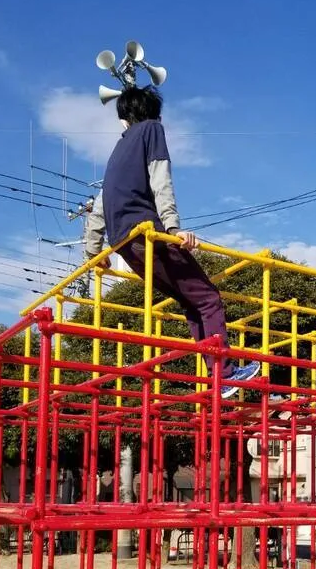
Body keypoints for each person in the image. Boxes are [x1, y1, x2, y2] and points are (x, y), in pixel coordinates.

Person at [86, 85, 260, 399]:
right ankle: (225, 375)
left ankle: (218, 376)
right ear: (155, 114)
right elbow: (160, 179)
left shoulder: (115, 154)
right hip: (149, 235)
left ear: (123, 119)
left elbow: (99, 205)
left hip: (124, 244)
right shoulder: (151, 130)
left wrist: (93, 252)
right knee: (208, 299)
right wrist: (174, 227)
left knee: (193, 303)